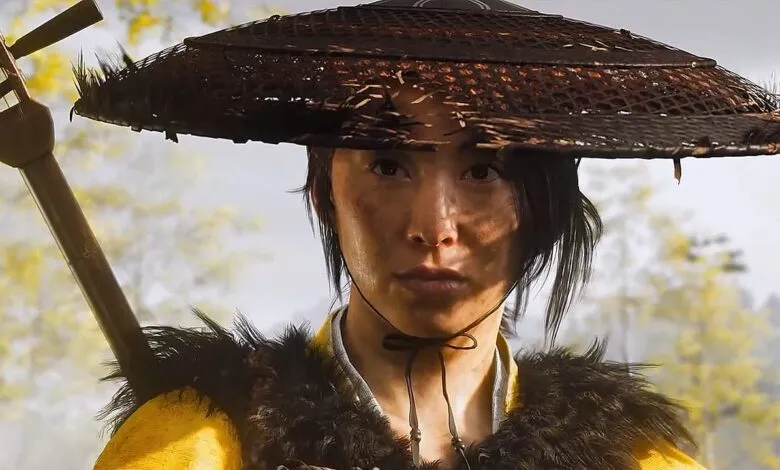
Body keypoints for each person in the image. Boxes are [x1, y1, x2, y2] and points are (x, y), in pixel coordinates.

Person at [71, 0, 779, 469]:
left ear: (543, 204)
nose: (434, 228)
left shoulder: (633, 458)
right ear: (323, 192)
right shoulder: (203, 443)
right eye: (387, 164)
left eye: (482, 170)